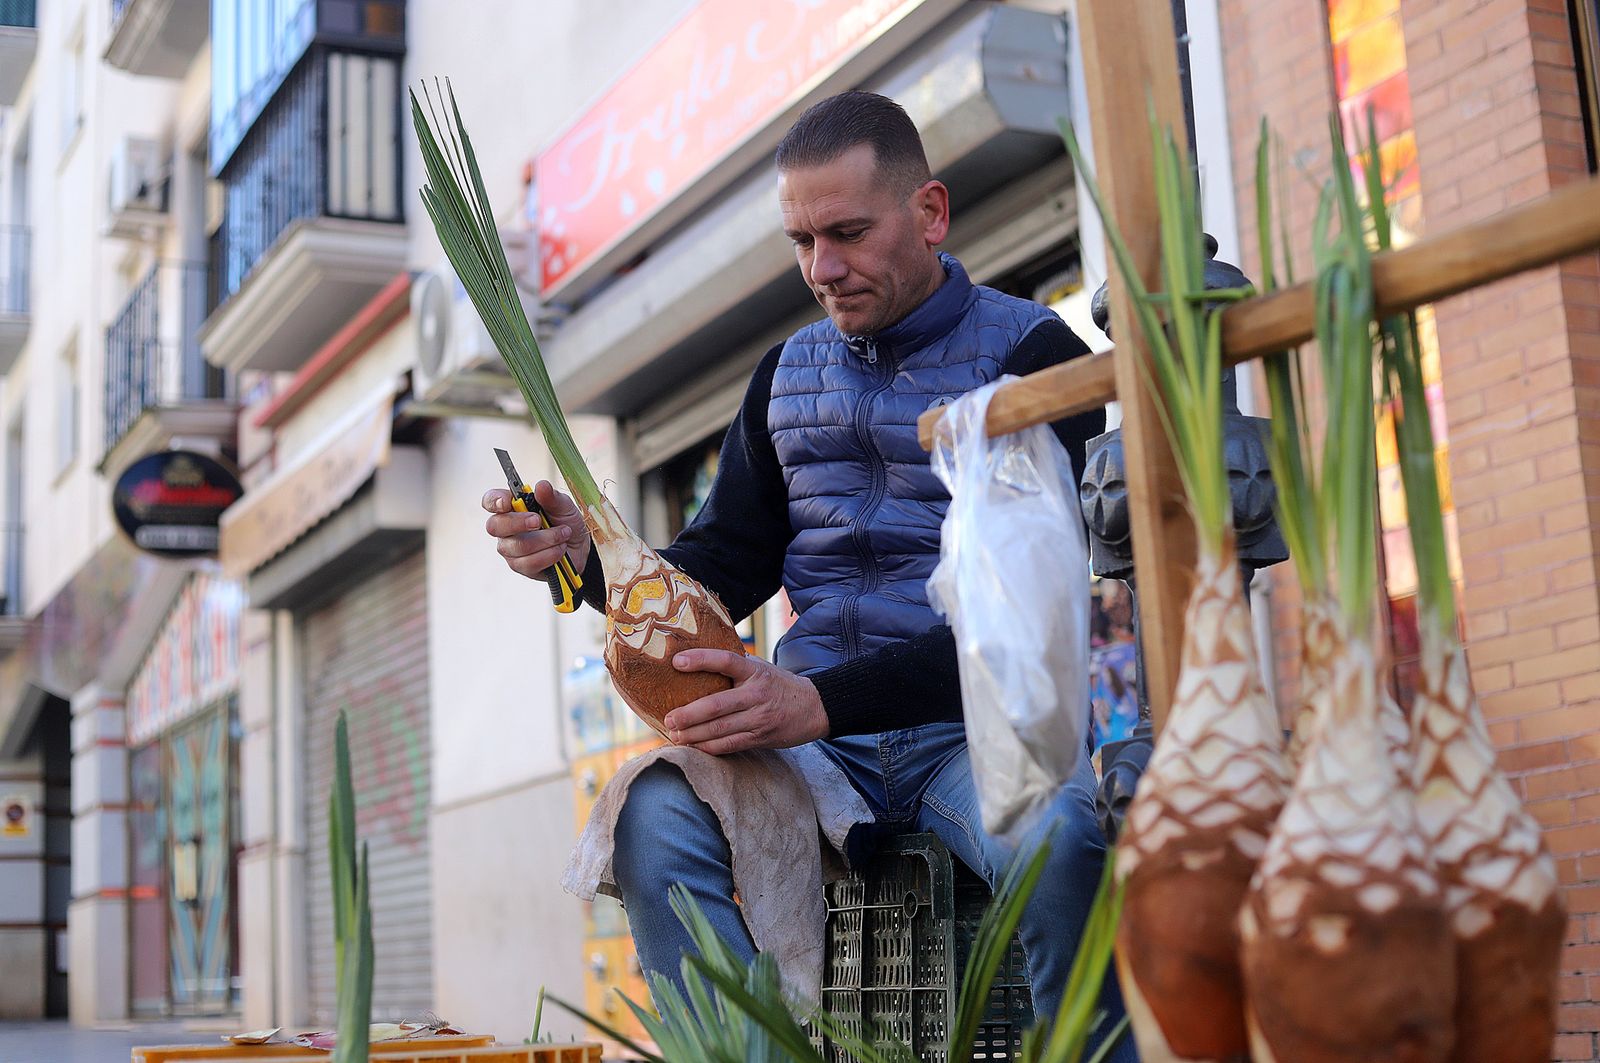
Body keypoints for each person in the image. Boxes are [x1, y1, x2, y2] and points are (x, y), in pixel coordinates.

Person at [484, 91, 1129, 1055]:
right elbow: (722, 564)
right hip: (813, 749)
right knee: (652, 812)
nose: (823, 269)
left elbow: (1025, 626)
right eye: (801, 241)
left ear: (931, 214)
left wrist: (814, 700)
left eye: (848, 233)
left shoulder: (1037, 359)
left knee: (1062, 839)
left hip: (977, 731)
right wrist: (587, 559)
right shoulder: (781, 375)